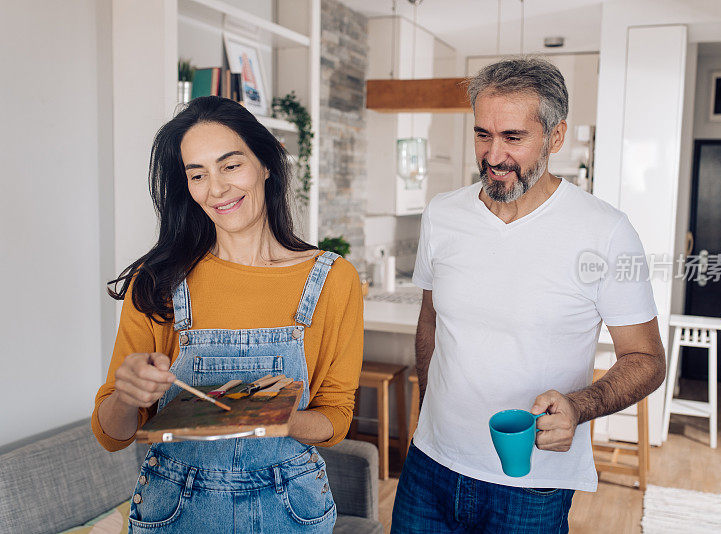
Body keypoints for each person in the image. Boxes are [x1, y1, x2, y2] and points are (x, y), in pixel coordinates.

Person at [391, 58, 666, 533]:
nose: (493, 156)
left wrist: (581, 406)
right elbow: (431, 321)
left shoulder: (606, 231)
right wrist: (426, 416)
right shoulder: (442, 214)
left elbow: (645, 358)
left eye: (513, 138)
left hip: (531, 483)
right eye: (482, 135)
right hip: (429, 465)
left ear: (555, 137)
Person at [91, 96, 363, 533]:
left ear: (266, 164)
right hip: (174, 509)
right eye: (197, 174)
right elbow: (112, 434)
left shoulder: (332, 279)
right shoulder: (157, 280)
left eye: (230, 165)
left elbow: (337, 416)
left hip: (290, 508)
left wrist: (282, 417)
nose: (215, 188)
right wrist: (127, 393)